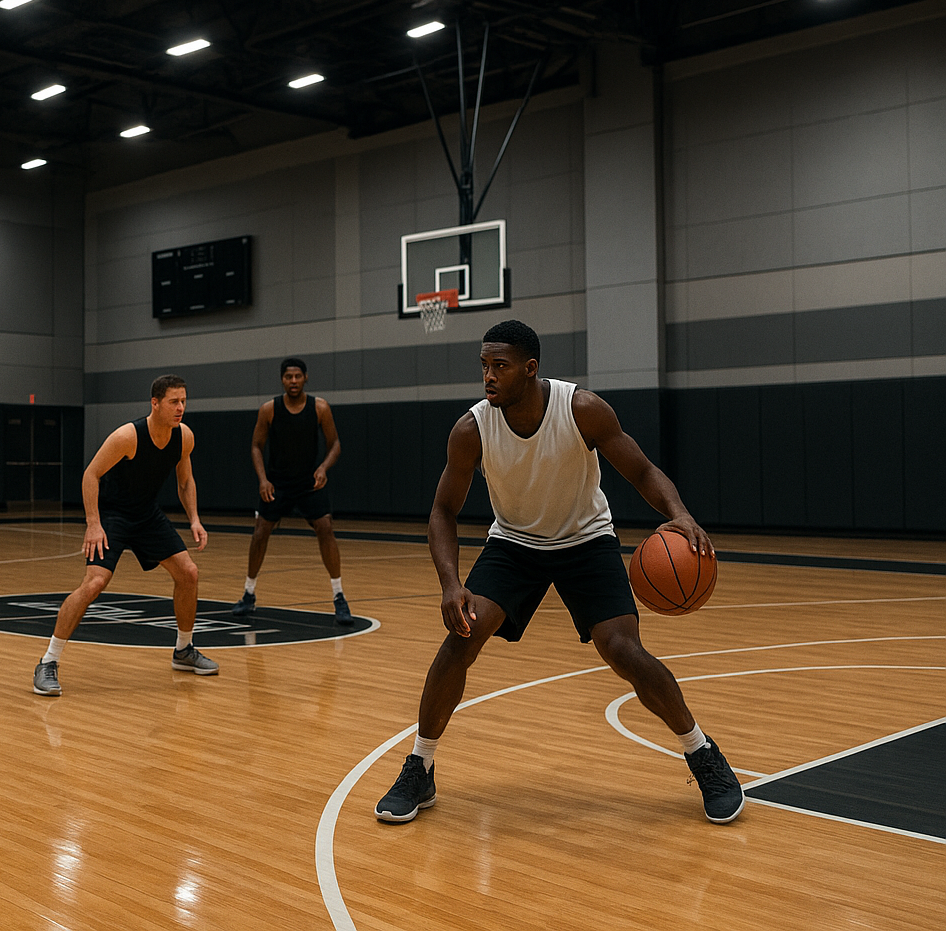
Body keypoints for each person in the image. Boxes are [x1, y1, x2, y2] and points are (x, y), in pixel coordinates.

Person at [374, 320, 744, 826]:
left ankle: (703, 755)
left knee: (623, 650)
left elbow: (640, 470)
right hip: (515, 544)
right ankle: (420, 766)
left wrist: (678, 514)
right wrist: (451, 584)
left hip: (586, 540)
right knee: (460, 639)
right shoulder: (472, 429)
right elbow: (443, 511)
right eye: (484, 366)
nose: (488, 377)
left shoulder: (581, 410)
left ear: (530, 369)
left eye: (499, 366)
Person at [32, 375, 215, 696]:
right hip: (112, 516)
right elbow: (91, 474)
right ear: (155, 403)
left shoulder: (184, 436)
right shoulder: (127, 437)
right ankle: (48, 662)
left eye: (184, 401)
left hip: (146, 515)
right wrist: (93, 522)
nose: (181, 408)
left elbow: (185, 481)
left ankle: (184, 650)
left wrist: (195, 519)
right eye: (174, 401)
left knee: (189, 573)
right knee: (94, 584)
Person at [232, 357, 352, 624]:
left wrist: (323, 468)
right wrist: (263, 480)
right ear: (282, 380)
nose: (294, 381)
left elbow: (335, 445)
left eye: (298, 376)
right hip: (277, 482)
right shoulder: (269, 410)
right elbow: (255, 446)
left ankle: (339, 597)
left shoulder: (320, 408)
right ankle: (248, 594)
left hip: (309, 482)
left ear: (305, 377)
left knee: (326, 528)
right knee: (260, 532)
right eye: (289, 377)